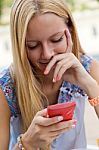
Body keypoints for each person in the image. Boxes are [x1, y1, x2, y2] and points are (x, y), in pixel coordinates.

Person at [0, 0, 99, 150]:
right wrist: (27, 143)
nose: (47, 54)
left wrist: (90, 86)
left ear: (70, 32)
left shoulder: (87, 68)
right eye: (33, 45)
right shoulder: (6, 88)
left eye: (56, 39)